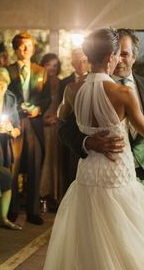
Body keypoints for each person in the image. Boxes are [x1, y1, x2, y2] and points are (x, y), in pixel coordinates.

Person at [44, 28, 144, 269]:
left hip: (88, 176)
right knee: (130, 243)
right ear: (110, 57)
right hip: (118, 177)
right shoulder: (123, 93)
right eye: (117, 54)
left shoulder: (72, 89)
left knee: (89, 243)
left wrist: (89, 133)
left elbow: (62, 117)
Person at [7, 32, 51, 225]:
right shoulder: (6, 71)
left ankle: (33, 212)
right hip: (14, 123)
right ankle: (12, 210)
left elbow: (47, 97)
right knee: (12, 167)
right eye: (23, 46)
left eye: (29, 46)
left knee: (34, 166)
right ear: (16, 48)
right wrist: (17, 109)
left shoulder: (41, 71)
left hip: (34, 123)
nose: (26, 50)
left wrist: (39, 109)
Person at [0, 68, 21, 230]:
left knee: (6, 178)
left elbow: (17, 128)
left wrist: (10, 130)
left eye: (2, 87)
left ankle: (4, 217)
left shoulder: (10, 98)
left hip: (3, 147)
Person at [58, 48, 89, 197]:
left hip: (89, 133)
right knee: (69, 171)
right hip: (71, 132)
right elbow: (61, 112)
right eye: (77, 62)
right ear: (72, 63)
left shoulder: (98, 81)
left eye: (84, 60)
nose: (81, 64)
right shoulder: (64, 83)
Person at [40, 53, 61, 211]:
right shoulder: (38, 82)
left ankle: (54, 196)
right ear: (43, 65)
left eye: (55, 66)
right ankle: (40, 195)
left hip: (56, 126)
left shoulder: (61, 83)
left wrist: (57, 117)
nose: (52, 69)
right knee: (43, 160)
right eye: (49, 65)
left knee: (55, 161)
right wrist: (42, 119)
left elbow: (64, 105)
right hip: (40, 126)